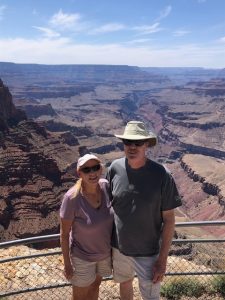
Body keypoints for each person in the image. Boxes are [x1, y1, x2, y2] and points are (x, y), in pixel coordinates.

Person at [106, 121, 182, 300]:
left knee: (150, 297)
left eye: (138, 143)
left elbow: (169, 220)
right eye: (127, 142)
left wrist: (162, 260)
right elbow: (108, 207)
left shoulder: (162, 175)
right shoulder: (114, 169)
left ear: (147, 144)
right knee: (125, 288)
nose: (132, 147)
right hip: (119, 248)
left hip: (148, 253)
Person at [60, 154, 114, 300]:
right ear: (79, 173)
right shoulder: (71, 198)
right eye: (86, 169)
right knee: (80, 296)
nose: (92, 173)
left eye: (96, 168)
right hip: (82, 257)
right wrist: (67, 264)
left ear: (101, 169)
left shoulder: (106, 186)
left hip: (104, 255)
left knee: (95, 287)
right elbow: (64, 234)